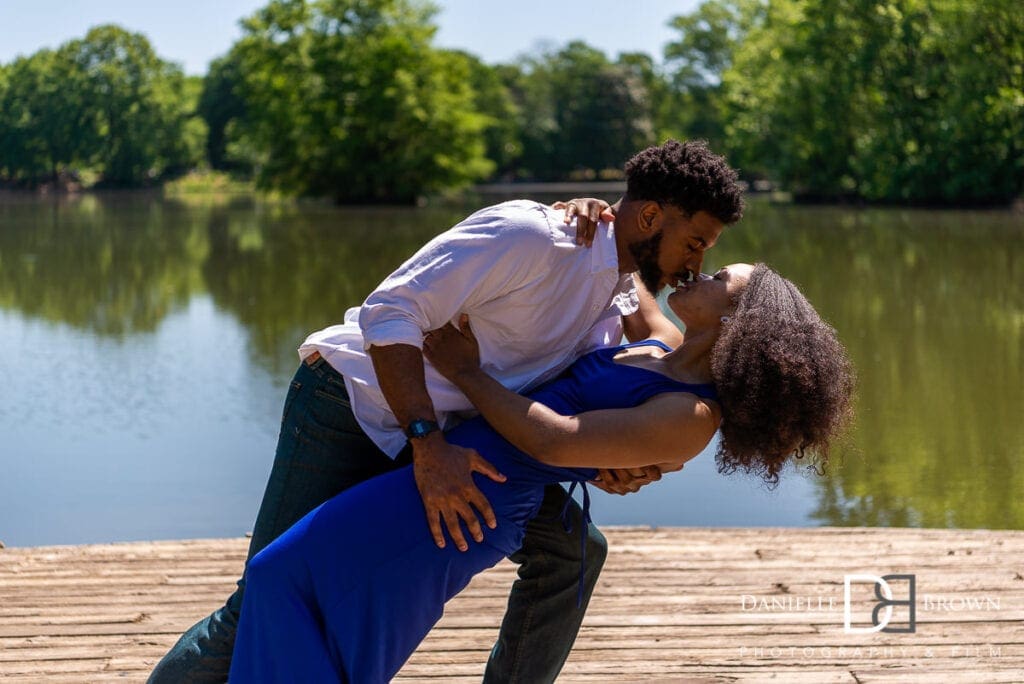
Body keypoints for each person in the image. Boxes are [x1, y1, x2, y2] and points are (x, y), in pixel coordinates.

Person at [149, 140, 746, 683]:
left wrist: (620, 462)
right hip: (353, 405)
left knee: (570, 551)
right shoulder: (532, 238)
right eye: (693, 242)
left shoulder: (616, 285)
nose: (694, 263)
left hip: (464, 439)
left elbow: (658, 376)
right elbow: (390, 313)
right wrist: (426, 446)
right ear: (648, 218)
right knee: (259, 602)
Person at [228, 262, 855, 682]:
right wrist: (585, 207)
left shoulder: (693, 413)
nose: (702, 269)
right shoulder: (663, 344)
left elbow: (554, 444)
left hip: (476, 499)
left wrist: (468, 370)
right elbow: (628, 264)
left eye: (720, 276)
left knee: (292, 585)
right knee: (307, 598)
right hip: (459, 474)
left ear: (736, 320)